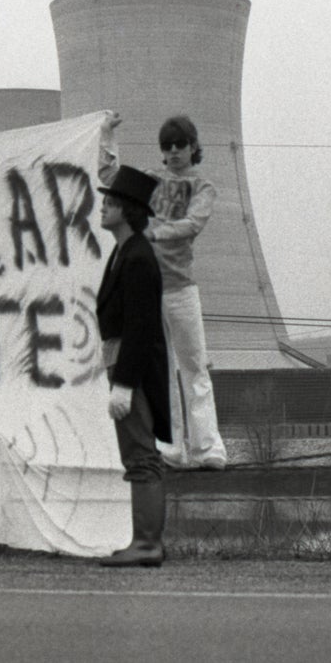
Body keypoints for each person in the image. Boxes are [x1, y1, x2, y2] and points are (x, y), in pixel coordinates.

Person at [101, 113, 227, 470]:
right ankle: (170, 447)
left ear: (193, 147)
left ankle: (207, 447)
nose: (173, 152)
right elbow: (112, 180)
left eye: (179, 145)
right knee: (159, 370)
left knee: (194, 366)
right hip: (146, 291)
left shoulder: (202, 187)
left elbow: (193, 223)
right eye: (167, 146)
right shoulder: (152, 181)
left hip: (181, 289)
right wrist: (107, 137)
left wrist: (157, 233)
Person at [95, 165, 172, 568]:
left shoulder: (138, 257)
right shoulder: (125, 251)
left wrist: (124, 384)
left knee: (140, 456)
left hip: (131, 368)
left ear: (127, 210)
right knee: (138, 455)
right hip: (122, 363)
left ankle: (146, 542)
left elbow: (141, 327)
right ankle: (146, 540)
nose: (102, 207)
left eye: (109, 202)